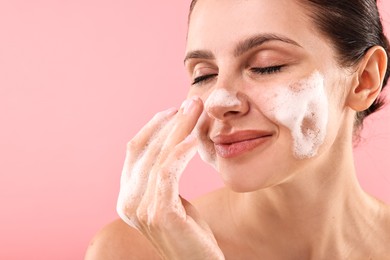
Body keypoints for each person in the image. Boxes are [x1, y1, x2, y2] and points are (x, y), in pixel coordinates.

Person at [85, 0, 390, 258]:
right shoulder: (130, 251)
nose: (219, 101)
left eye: (266, 66)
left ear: (365, 79)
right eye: (204, 75)